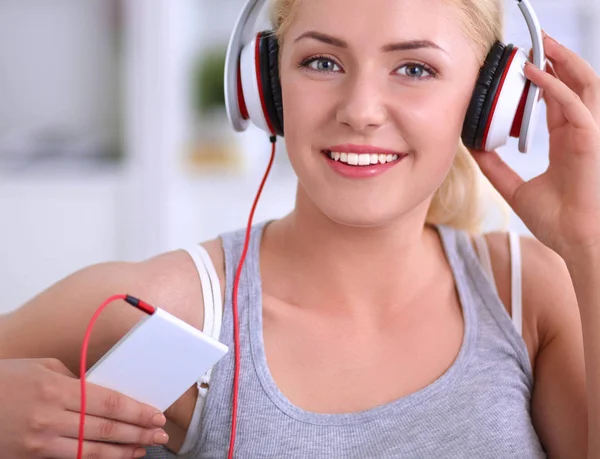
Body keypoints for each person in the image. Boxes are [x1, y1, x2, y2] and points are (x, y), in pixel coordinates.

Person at [1, 0, 600, 456]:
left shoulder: (530, 294)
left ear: (490, 103)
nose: (360, 109)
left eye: (414, 68)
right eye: (321, 61)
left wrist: (590, 243)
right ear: (266, 88)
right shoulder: (176, 306)